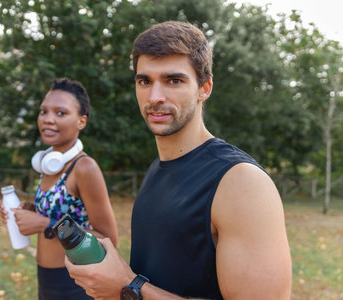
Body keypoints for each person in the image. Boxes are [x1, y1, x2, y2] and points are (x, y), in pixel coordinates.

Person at [65, 21, 292, 299]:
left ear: (204, 88)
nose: (155, 97)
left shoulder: (241, 182)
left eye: (174, 80)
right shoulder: (157, 169)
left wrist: (129, 287)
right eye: (144, 81)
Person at [0, 77, 118, 300]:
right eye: (43, 112)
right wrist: (28, 209)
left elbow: (108, 238)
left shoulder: (84, 168)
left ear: (81, 121)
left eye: (60, 113)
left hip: (75, 282)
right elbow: (65, 212)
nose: (48, 119)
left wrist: (44, 223)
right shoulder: (49, 165)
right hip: (47, 279)